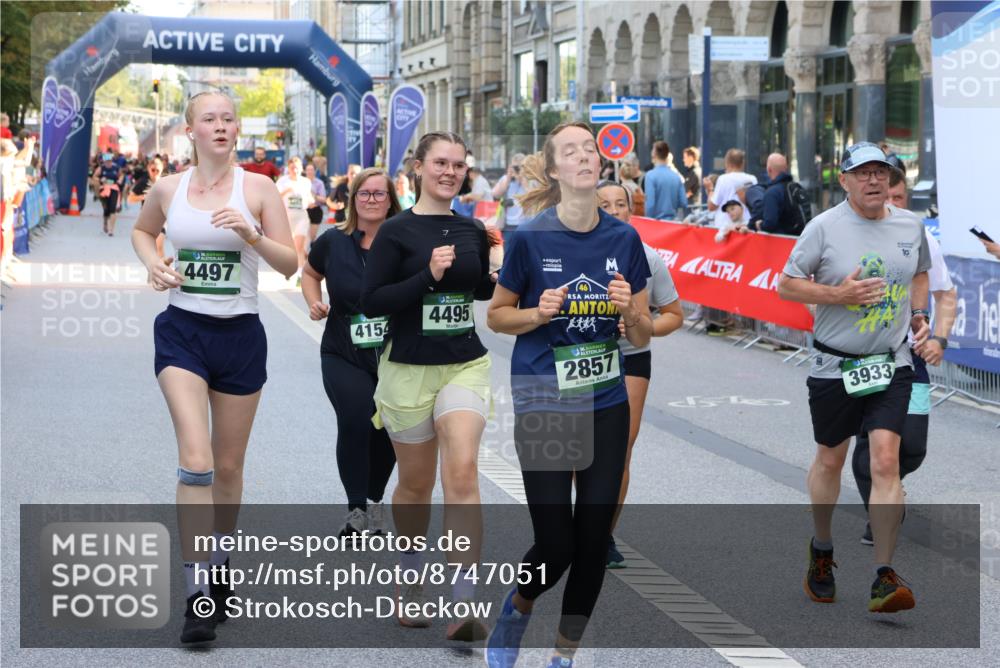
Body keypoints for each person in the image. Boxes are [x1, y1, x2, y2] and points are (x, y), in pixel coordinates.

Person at [130, 90, 297, 644]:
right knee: (196, 460)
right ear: (191, 130)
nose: (221, 126)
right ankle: (197, 591)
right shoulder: (169, 188)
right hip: (183, 334)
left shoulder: (259, 188)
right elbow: (141, 230)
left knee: (228, 466)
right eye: (210, 119)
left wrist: (250, 234)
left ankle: (221, 560)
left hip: (241, 336)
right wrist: (155, 264)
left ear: (236, 129)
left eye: (228, 118)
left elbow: (290, 263)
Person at [485, 123, 653, 668]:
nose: (585, 156)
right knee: (556, 545)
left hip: (605, 399)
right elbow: (497, 315)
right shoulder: (530, 237)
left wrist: (630, 310)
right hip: (544, 397)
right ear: (555, 170)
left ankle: (564, 655)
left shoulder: (624, 240)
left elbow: (644, 334)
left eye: (590, 149)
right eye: (571, 151)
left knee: (592, 544)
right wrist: (539, 312)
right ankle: (518, 604)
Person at [778, 141, 931, 614]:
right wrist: (837, 295)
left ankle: (884, 575)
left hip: (891, 363)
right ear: (843, 181)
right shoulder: (823, 228)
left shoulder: (910, 224)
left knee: (886, 461)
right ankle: (821, 549)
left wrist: (920, 313)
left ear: (891, 180)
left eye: (880, 173)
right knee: (831, 459)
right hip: (835, 364)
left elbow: (920, 273)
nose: (873, 181)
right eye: (862, 173)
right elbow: (786, 284)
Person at [361, 131, 497, 640]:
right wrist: (427, 277)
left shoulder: (473, 228)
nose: (450, 171)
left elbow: (477, 289)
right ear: (418, 167)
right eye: (440, 162)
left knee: (461, 471)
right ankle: (412, 576)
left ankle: (464, 603)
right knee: (416, 485)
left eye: (459, 164)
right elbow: (371, 301)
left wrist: (495, 270)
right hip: (408, 369)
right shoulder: (395, 232)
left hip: (464, 363)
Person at [851, 155, 957, 544]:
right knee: (874, 447)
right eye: (885, 195)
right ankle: (879, 512)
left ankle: (890, 484)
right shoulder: (847, 232)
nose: (891, 204)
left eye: (898, 196)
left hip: (911, 358)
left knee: (911, 448)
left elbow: (947, 296)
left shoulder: (919, 236)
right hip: (865, 353)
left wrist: (939, 339)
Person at [301, 168, 401, 537]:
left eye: (380, 194)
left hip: (397, 353)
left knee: (390, 426)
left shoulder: (405, 241)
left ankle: (375, 501)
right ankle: (356, 509)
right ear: (352, 199)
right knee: (357, 417)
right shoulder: (332, 241)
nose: (372, 200)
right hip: (344, 349)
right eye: (365, 194)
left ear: (392, 200)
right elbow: (309, 273)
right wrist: (314, 302)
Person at [596, 180, 683, 569]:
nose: (614, 211)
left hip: (632, 357)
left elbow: (674, 315)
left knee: (618, 451)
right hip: (581, 358)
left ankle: (603, 536)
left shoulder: (647, 257)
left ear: (632, 211)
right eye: (605, 204)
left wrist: (644, 326)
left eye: (621, 204)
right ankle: (583, 524)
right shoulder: (571, 250)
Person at [276, 156, 315, 280]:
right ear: (288, 168)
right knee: (289, 247)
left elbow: (309, 197)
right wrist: (287, 191)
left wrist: (311, 201)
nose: (295, 170)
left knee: (299, 246)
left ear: (301, 168)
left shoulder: (305, 182)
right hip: (286, 216)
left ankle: (299, 274)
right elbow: (276, 196)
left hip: (301, 216)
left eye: (297, 168)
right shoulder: (282, 181)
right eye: (292, 168)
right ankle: (289, 269)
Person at [748, 153, 801, 235]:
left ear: (769, 169)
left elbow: (769, 224)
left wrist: (760, 225)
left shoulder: (772, 193)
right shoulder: (797, 188)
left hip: (783, 243)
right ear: (786, 168)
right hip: (801, 240)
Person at [707, 148, 757, 228]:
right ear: (742, 163)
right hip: (745, 227)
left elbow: (712, 206)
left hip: (725, 229)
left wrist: (710, 189)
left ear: (727, 163)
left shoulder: (723, 179)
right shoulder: (752, 179)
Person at [128, 156, 166, 255]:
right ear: (148, 168)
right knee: (151, 249)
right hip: (147, 219)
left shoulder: (166, 182)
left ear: (161, 169)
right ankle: (155, 268)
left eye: (157, 170)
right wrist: (144, 196)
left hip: (162, 219)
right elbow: (130, 198)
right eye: (153, 170)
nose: (155, 173)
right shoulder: (143, 182)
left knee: (159, 245)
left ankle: (162, 267)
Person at [643, 141, 686, 221]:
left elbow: (650, 204)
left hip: (657, 223)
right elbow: (683, 202)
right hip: (673, 222)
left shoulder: (650, 175)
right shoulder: (676, 176)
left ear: (654, 154)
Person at [492, 153, 528, 243]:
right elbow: (496, 194)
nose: (517, 170)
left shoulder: (529, 179)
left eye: (519, 167)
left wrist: (523, 179)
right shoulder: (506, 179)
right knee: (508, 253)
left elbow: (533, 196)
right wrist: (508, 177)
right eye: (515, 167)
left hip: (526, 224)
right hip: (508, 224)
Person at [92, 152, 123, 236]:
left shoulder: (116, 168)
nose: (108, 163)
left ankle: (111, 230)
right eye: (106, 161)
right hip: (104, 190)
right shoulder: (101, 168)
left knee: (113, 209)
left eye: (109, 161)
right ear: (104, 161)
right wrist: (100, 179)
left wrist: (120, 180)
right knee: (106, 209)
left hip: (113, 189)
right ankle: (105, 222)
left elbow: (121, 175)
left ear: (111, 160)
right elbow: (94, 176)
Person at [305, 162, 327, 242]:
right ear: (305, 171)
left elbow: (324, 199)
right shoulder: (300, 182)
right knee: (303, 236)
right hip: (303, 210)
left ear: (315, 171)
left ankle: (311, 253)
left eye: (311, 170)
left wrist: (313, 195)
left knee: (312, 237)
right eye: (308, 170)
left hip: (315, 210)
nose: (310, 172)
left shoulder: (319, 183)